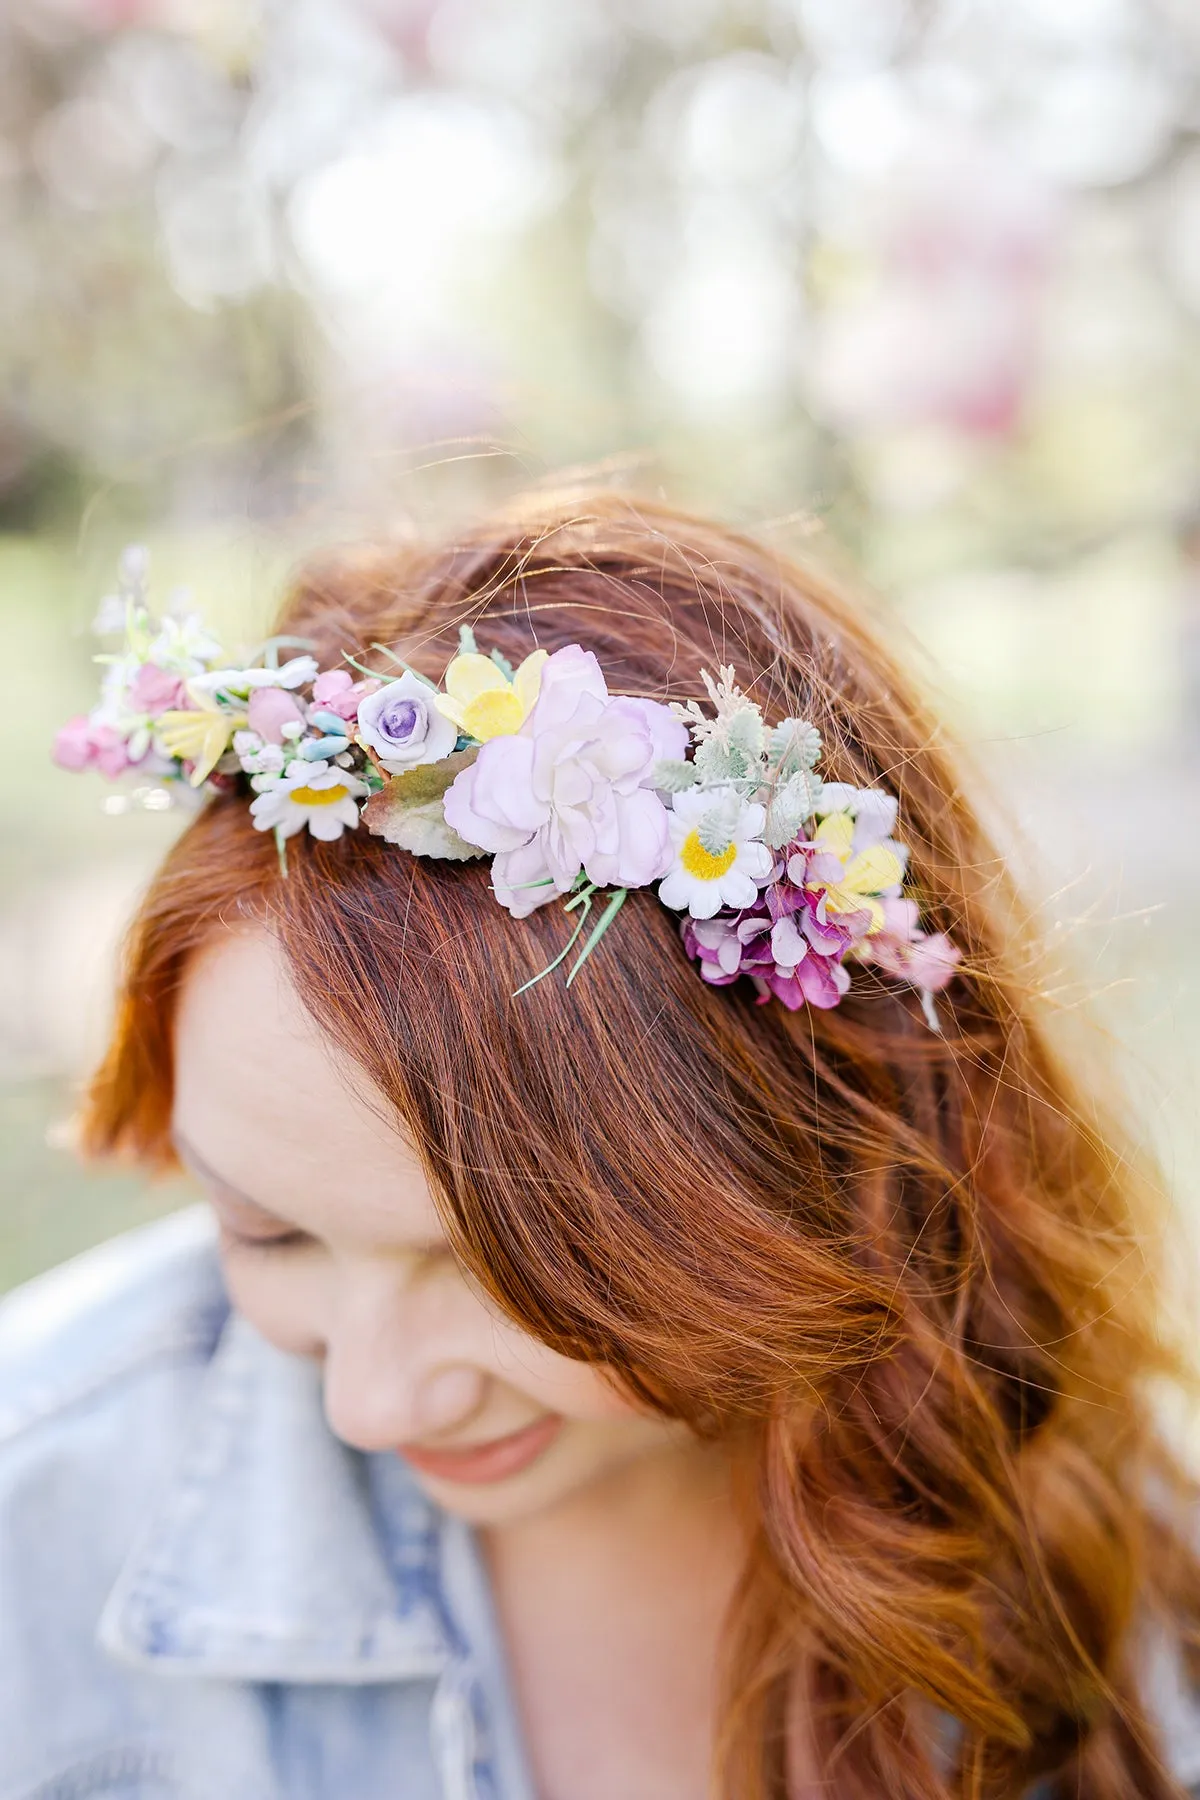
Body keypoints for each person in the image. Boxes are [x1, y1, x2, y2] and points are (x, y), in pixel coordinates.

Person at [5, 490, 1200, 1800]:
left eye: (505, 1269)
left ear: (804, 1160)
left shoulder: (1089, 1530)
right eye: (266, 1231)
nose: (372, 1403)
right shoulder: (38, 1514)